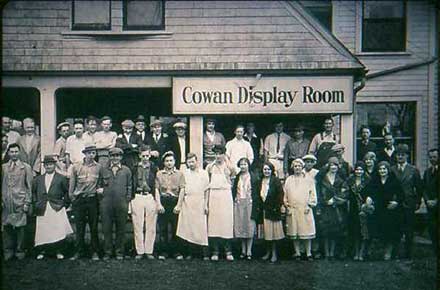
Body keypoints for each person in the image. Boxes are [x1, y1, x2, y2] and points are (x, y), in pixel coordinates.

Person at [32, 155, 73, 260]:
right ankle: (43, 250)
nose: (49, 166)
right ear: (44, 166)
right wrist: (36, 202)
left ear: (55, 165)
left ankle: (58, 251)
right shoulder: (38, 179)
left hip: (56, 207)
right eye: (47, 164)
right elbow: (34, 193)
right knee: (43, 229)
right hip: (42, 207)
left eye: (51, 164)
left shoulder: (61, 178)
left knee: (57, 230)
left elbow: (67, 193)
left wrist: (64, 204)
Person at [69, 145, 104, 261]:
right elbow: (72, 185)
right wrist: (73, 198)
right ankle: (79, 251)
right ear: (85, 154)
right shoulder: (76, 167)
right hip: (80, 200)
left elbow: (100, 183)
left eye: (93, 153)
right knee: (80, 227)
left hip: (92, 199)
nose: (91, 155)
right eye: (89, 153)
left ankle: (95, 252)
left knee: (93, 227)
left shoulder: (99, 167)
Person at [365, 161, 404, 260]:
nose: (382, 171)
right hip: (378, 210)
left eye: (384, 169)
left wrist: (396, 202)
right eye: (380, 169)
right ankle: (374, 252)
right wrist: (368, 197)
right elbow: (368, 191)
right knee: (378, 231)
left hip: (390, 210)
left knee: (390, 232)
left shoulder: (394, 180)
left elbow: (401, 194)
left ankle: (388, 252)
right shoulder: (375, 180)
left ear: (388, 170)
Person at [175, 153, 210, 260]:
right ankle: (190, 253)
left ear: (197, 161)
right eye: (189, 162)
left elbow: (207, 190)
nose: (191, 164)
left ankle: (204, 253)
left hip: (199, 201)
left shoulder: (204, 173)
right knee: (189, 228)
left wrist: (206, 205)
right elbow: (182, 189)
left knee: (200, 228)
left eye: (192, 161)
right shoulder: (184, 173)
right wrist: (179, 205)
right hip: (188, 202)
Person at [391, 144, 423, 260]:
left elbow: (419, 188)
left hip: (409, 203)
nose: (400, 157)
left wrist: (417, 202)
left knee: (409, 230)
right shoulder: (392, 169)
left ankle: (408, 254)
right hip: (395, 204)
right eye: (398, 155)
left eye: (402, 155)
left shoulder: (413, 170)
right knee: (396, 229)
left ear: (407, 156)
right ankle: (395, 253)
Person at [2, 143, 33, 261]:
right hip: (6, 202)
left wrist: (27, 202)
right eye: (12, 152)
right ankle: (8, 251)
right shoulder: (3, 167)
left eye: (16, 151)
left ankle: (20, 251)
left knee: (21, 228)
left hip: (20, 201)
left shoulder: (25, 167)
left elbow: (29, 187)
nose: (14, 154)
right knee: (7, 226)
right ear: (8, 153)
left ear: (19, 153)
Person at [100, 147, 132, 260]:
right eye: (113, 156)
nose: (115, 158)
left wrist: (127, 200)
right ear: (109, 157)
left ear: (121, 157)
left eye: (117, 156)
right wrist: (102, 196)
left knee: (121, 228)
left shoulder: (126, 170)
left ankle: (119, 251)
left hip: (121, 203)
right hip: (106, 203)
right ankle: (107, 252)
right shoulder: (103, 169)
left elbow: (129, 186)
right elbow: (99, 185)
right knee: (106, 228)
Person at [284, 158, 317, 261]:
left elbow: (313, 194)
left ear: (302, 167)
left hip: (305, 209)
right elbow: (285, 194)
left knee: (306, 232)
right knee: (295, 232)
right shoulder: (289, 179)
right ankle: (297, 252)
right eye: (295, 166)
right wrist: (287, 206)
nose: (297, 168)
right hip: (293, 209)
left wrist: (310, 205)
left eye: (299, 166)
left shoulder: (308, 179)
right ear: (292, 168)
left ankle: (308, 253)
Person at [206, 145, 235, 261]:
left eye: (220, 154)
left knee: (226, 224)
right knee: (214, 224)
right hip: (214, 195)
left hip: (225, 196)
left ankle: (228, 251)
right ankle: (215, 251)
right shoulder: (210, 167)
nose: (218, 156)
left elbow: (233, 181)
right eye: (216, 154)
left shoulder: (229, 167)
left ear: (224, 154)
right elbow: (207, 184)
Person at [315, 157, 347, 260]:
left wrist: (335, 200)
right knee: (325, 231)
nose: (334, 167)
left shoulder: (340, 179)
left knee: (335, 231)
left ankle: (332, 253)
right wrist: (325, 202)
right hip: (325, 208)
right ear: (328, 166)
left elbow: (344, 193)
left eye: (336, 165)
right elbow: (318, 193)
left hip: (336, 208)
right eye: (332, 165)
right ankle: (326, 253)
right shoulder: (322, 178)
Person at [155, 151, 185, 260]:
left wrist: (179, 205)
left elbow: (182, 189)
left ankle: (176, 251)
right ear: (163, 162)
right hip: (163, 201)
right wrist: (158, 204)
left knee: (175, 228)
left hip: (174, 201)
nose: (169, 163)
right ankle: (164, 251)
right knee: (163, 228)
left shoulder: (180, 174)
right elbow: (156, 190)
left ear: (174, 162)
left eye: (171, 161)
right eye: (167, 161)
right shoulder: (159, 174)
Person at [131, 145, 159, 260]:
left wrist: (156, 199)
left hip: (149, 196)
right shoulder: (134, 168)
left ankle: (149, 250)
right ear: (139, 156)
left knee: (151, 225)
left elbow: (157, 184)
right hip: (137, 196)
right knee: (138, 224)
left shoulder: (154, 168)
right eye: (143, 156)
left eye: (147, 156)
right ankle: (140, 251)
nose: (145, 158)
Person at [254, 161, 285, 263]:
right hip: (263, 210)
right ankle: (267, 252)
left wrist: (277, 206)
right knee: (266, 234)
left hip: (273, 210)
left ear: (272, 171)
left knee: (273, 234)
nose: (266, 171)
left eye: (268, 169)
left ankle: (274, 254)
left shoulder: (275, 181)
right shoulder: (259, 182)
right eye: (265, 169)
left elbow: (280, 195)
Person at [344, 161, 372, 261]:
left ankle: (362, 252)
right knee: (355, 231)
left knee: (364, 231)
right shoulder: (350, 180)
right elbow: (345, 192)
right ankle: (356, 252)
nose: (359, 171)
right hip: (353, 208)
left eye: (361, 170)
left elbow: (371, 193)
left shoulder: (368, 180)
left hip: (364, 208)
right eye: (357, 169)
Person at [232, 157, 257, 259]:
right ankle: (243, 250)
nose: (243, 166)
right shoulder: (237, 177)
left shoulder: (253, 176)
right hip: (239, 203)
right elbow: (234, 190)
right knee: (241, 226)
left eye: (245, 164)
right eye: (241, 164)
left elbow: (255, 191)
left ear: (248, 165)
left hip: (249, 203)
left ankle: (249, 251)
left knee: (249, 226)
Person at [423, 148, 439, 253]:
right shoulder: (427, 172)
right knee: (432, 228)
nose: (432, 159)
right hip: (430, 207)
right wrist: (427, 200)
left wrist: (437, 201)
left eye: (435, 157)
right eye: (430, 157)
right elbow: (423, 188)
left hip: (438, 205)